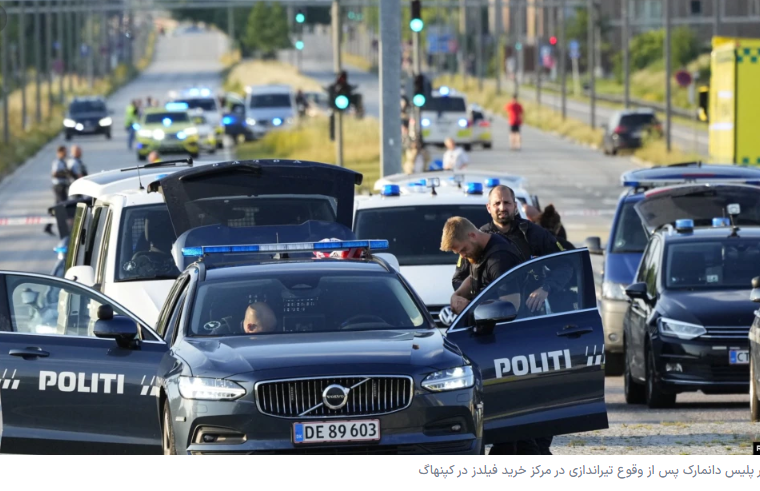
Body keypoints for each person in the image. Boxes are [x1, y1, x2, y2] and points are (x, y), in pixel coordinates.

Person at [440, 216, 523, 317]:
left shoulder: (499, 260)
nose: (462, 256)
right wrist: (457, 294)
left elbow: (512, 305)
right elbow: (476, 276)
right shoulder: (479, 249)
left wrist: (469, 308)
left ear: (472, 235)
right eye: (458, 253)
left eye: (463, 249)